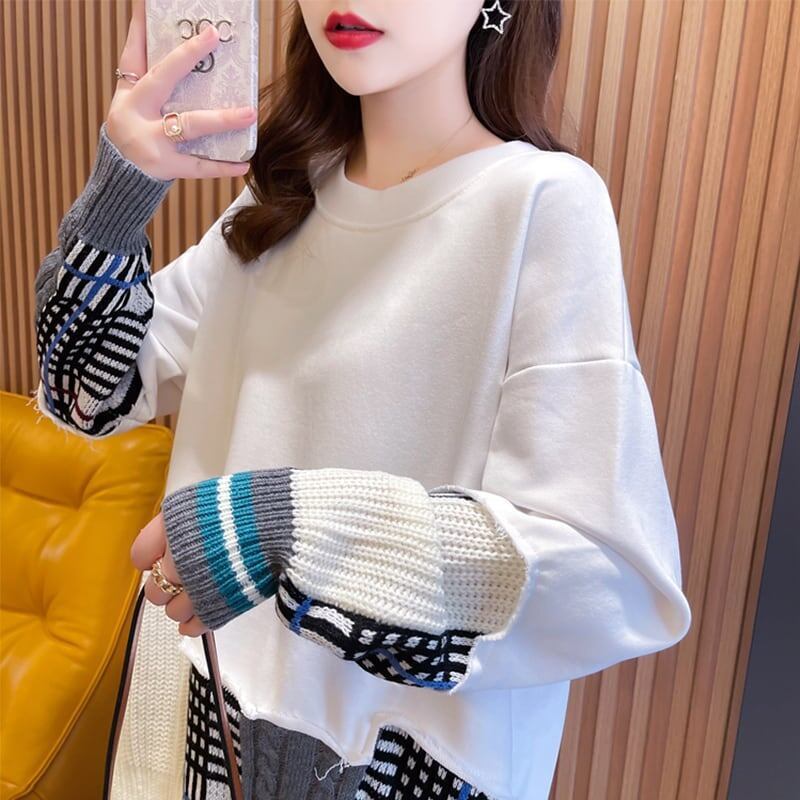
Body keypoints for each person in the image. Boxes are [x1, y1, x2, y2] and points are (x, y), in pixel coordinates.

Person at [31, 0, 692, 798]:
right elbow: (85, 393)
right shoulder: (283, 199)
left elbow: (606, 574)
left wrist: (279, 526)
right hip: (204, 702)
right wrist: (120, 193)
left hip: (399, 754)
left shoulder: (540, 202)